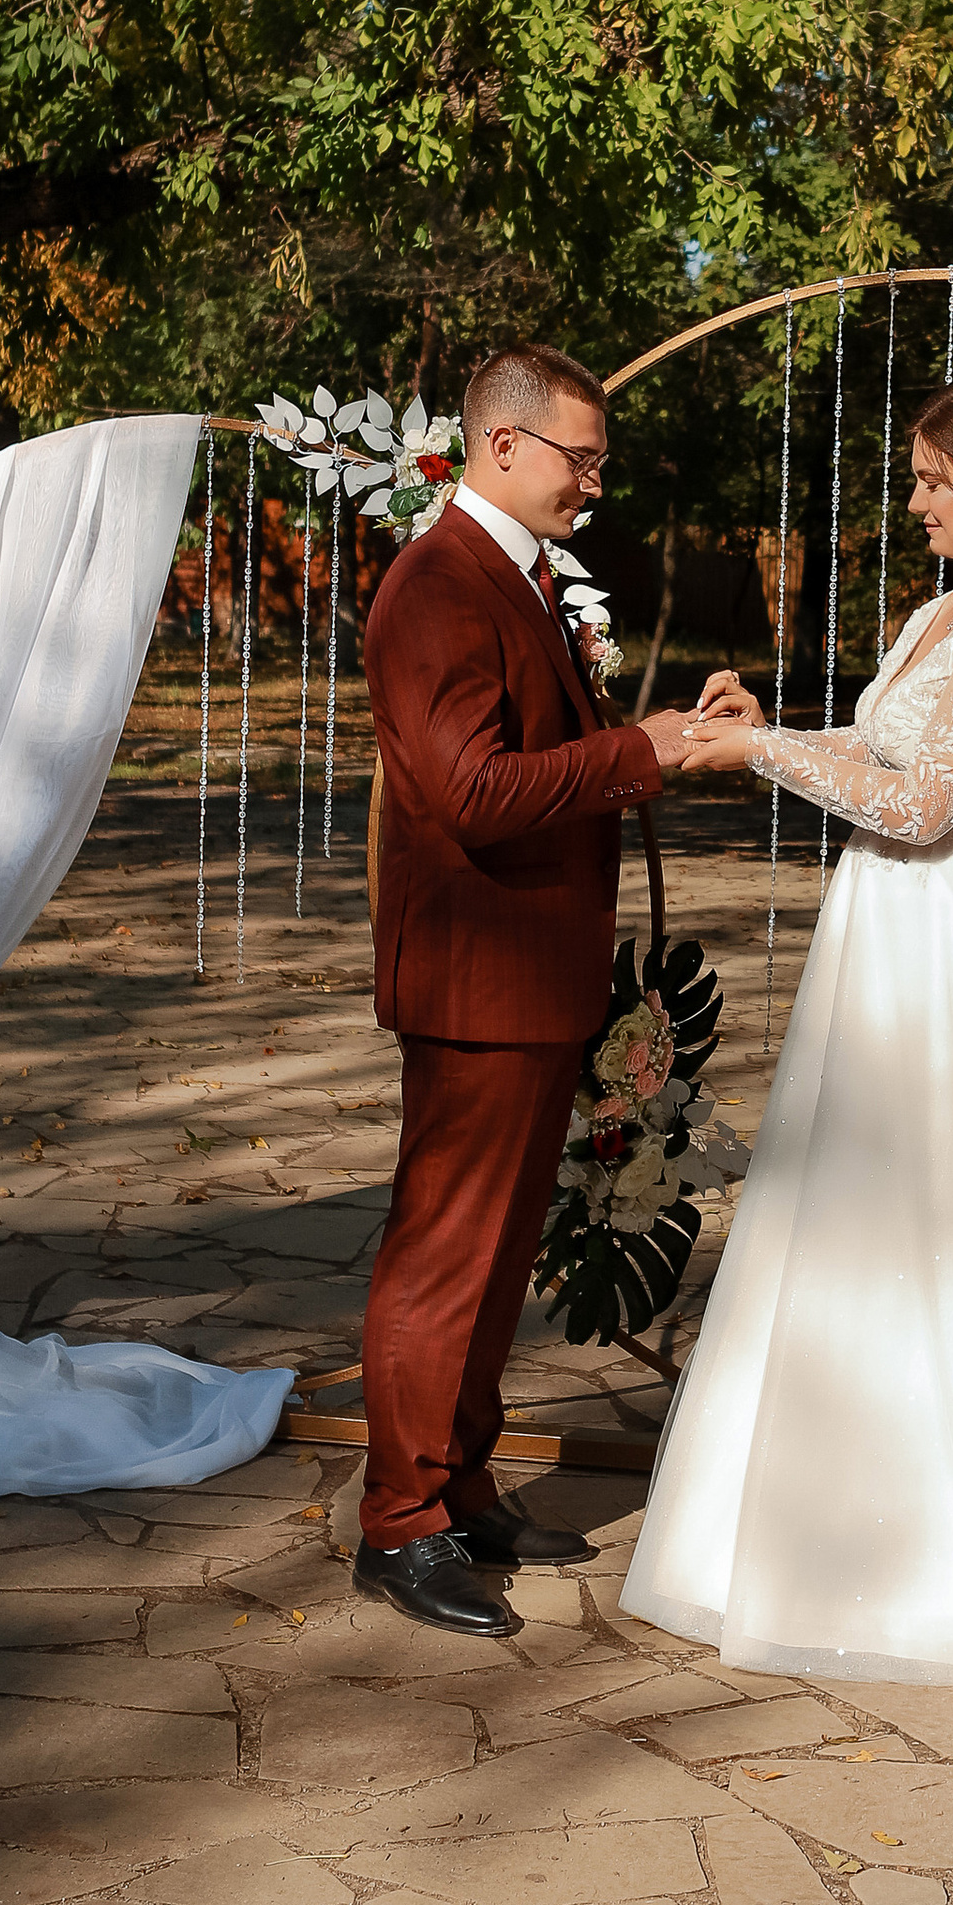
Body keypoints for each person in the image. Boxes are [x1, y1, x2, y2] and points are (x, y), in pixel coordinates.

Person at [620, 371, 953, 1685]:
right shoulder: (942, 611)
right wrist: (779, 731)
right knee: (859, 1215)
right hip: (889, 936)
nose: (916, 501)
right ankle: (823, 1506)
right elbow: (888, 764)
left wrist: (754, 760)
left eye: (935, 481)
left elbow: (928, 810)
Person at [355, 342, 731, 1636]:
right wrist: (639, 752)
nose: (594, 485)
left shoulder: (513, 577)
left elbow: (540, 753)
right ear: (503, 445)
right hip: (478, 979)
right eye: (583, 459)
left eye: (601, 463)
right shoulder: (437, 586)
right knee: (444, 1255)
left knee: (498, 1253)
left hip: (531, 975)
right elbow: (469, 794)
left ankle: (459, 1488)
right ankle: (400, 1524)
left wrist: (660, 738)